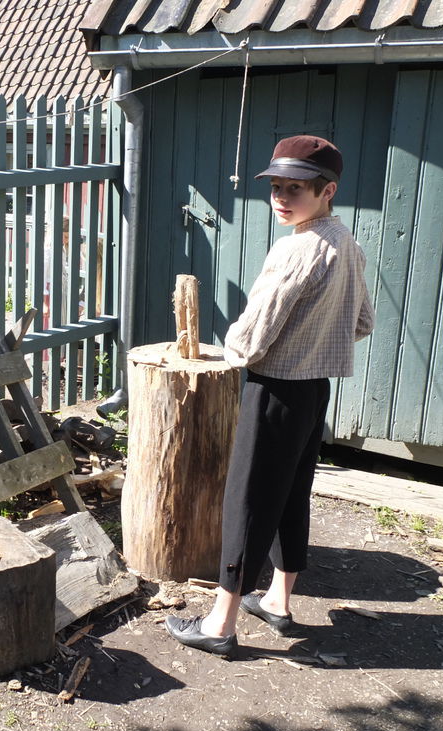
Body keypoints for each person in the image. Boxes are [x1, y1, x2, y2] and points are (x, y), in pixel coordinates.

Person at [164, 135, 375, 657]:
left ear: (327, 191)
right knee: (289, 493)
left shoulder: (295, 248)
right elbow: (364, 322)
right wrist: (316, 341)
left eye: (296, 189)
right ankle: (278, 601)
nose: (281, 197)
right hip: (313, 393)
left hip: (274, 389)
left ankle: (219, 623)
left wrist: (230, 347)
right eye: (276, 187)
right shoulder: (345, 243)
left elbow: (251, 338)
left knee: (249, 500)